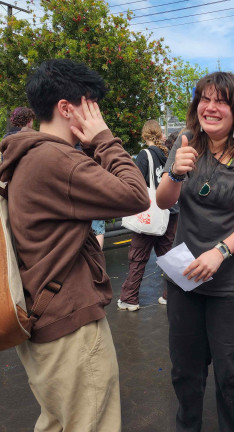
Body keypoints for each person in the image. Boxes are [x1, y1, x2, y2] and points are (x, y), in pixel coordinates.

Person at [0, 59, 150, 432]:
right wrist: (103, 137)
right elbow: (136, 195)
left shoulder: (23, 154)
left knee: (58, 422)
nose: (96, 114)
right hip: (70, 328)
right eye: (91, 105)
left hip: (42, 319)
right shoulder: (55, 157)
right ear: (67, 108)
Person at [156, 71, 234, 432]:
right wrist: (175, 174)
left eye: (221, 101)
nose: (210, 107)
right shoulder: (186, 141)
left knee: (233, 376)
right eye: (204, 99)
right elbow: (165, 202)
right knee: (185, 370)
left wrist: (220, 251)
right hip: (186, 279)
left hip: (233, 283)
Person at [118, 119, 178, 310]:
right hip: (171, 210)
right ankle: (173, 295)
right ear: (159, 134)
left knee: (138, 256)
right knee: (170, 255)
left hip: (150, 211)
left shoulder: (144, 155)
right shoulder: (168, 153)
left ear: (144, 136)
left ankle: (129, 298)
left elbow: (135, 183)